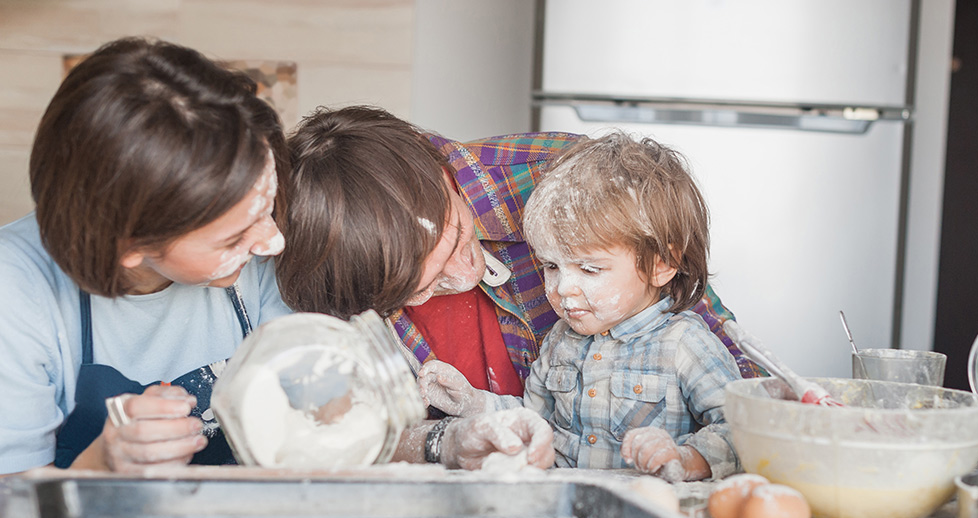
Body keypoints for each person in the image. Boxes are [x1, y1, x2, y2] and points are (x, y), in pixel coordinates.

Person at [278, 106, 761, 471]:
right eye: (419, 290)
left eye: (455, 244)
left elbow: (739, 383)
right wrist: (463, 416)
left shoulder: (569, 180)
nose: (463, 278)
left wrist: (742, 439)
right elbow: (327, 433)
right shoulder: (327, 269)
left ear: (441, 178)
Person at [0, 37, 292, 475]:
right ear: (127, 244)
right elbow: (12, 501)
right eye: (232, 239)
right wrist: (102, 465)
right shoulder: (16, 291)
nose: (274, 242)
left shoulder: (260, 259)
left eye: (266, 209)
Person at [418, 133, 742, 480]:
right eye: (551, 266)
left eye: (589, 269)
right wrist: (472, 403)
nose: (563, 289)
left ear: (661, 264)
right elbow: (534, 417)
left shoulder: (685, 344)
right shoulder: (561, 339)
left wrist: (685, 457)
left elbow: (740, 431)